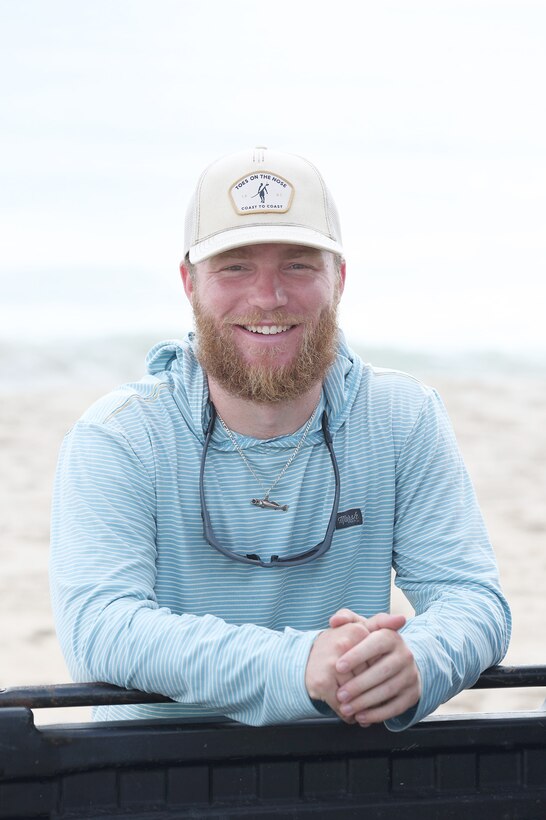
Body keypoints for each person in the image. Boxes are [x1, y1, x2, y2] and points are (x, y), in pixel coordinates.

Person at [50, 146, 511, 729]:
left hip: (344, 764)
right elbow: (100, 628)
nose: (268, 297)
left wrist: (419, 657)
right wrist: (299, 664)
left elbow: (474, 601)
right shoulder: (119, 435)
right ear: (189, 283)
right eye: (235, 266)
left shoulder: (402, 416)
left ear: (338, 279)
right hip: (155, 769)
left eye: (297, 265)